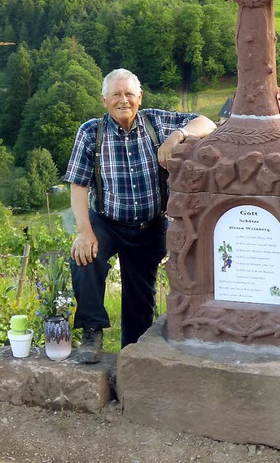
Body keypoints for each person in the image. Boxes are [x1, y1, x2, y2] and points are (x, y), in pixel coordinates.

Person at [64, 68, 217, 363]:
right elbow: (78, 184)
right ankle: (92, 331)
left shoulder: (156, 121)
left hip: (150, 225)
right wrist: (84, 230)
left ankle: (132, 358)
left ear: (140, 97)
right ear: (104, 99)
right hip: (107, 221)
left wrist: (178, 135)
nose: (124, 100)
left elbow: (208, 123)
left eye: (129, 94)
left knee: (140, 300)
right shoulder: (90, 132)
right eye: (116, 95)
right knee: (84, 258)